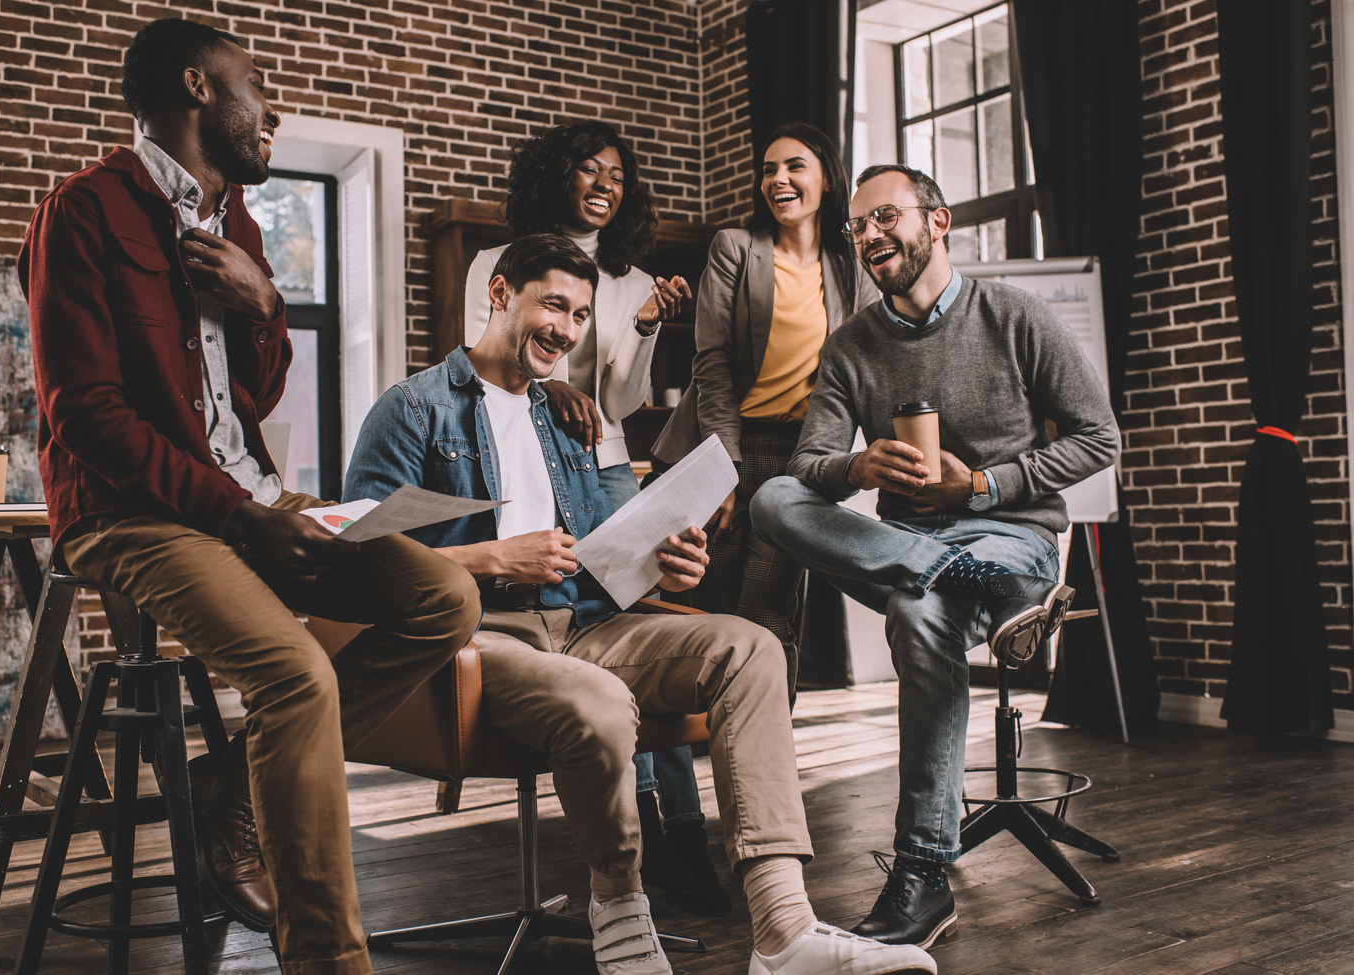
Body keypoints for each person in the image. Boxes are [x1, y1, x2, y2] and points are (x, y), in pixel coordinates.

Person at [18, 18, 481, 975]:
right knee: (296, 676)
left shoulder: (236, 224)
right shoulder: (87, 210)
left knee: (446, 595)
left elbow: (251, 397)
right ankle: (327, 959)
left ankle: (230, 785)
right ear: (197, 87)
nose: (269, 107)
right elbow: (86, 416)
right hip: (130, 514)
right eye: (255, 83)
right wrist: (242, 520)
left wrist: (266, 303)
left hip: (249, 495)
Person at [345, 232, 937, 975]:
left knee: (750, 645)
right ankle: (621, 912)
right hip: (478, 636)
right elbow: (357, 558)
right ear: (499, 295)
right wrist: (494, 557)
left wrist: (664, 569)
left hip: (586, 625)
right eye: (553, 304)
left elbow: (600, 562)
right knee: (598, 697)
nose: (567, 329)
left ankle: (784, 928)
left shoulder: (564, 416)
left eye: (581, 314)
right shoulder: (412, 410)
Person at [750, 164, 1120, 948]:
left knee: (922, 615)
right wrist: (858, 467)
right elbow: (808, 465)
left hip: (1006, 531)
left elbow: (1099, 437)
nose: (871, 235)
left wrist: (982, 483)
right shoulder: (850, 347)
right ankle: (970, 583)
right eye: (859, 227)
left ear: (938, 220)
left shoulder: (1014, 316)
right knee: (771, 501)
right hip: (907, 545)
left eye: (886, 217)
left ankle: (921, 872)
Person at [465, 120, 724, 916]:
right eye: (589, 169)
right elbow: (475, 373)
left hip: (603, 465)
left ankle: (683, 830)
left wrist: (645, 326)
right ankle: (637, 828)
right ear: (557, 176)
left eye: (618, 173)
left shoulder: (631, 276)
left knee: (642, 634)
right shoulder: (491, 264)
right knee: (596, 645)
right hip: (523, 471)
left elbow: (618, 402)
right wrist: (551, 389)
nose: (606, 183)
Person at [651, 122, 881, 695]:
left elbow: (870, 362)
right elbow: (713, 363)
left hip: (800, 458)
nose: (778, 179)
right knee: (707, 603)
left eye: (794, 166)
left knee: (771, 609)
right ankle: (691, 747)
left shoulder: (852, 265)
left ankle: (764, 745)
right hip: (722, 442)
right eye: (769, 169)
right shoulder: (736, 247)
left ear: (826, 179)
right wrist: (722, 468)